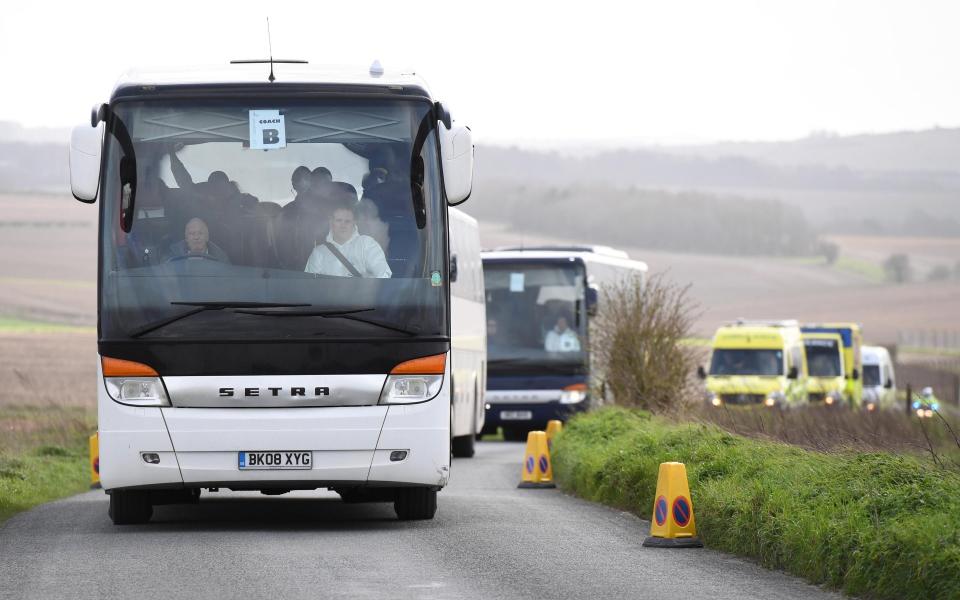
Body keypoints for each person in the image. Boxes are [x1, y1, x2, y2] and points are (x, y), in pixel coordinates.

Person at [304, 200, 391, 278]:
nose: (343, 225)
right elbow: (309, 284)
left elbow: (383, 276)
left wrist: (368, 283)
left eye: (347, 221)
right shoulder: (319, 253)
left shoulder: (367, 244)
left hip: (361, 296)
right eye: (339, 220)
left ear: (354, 223)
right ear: (331, 222)